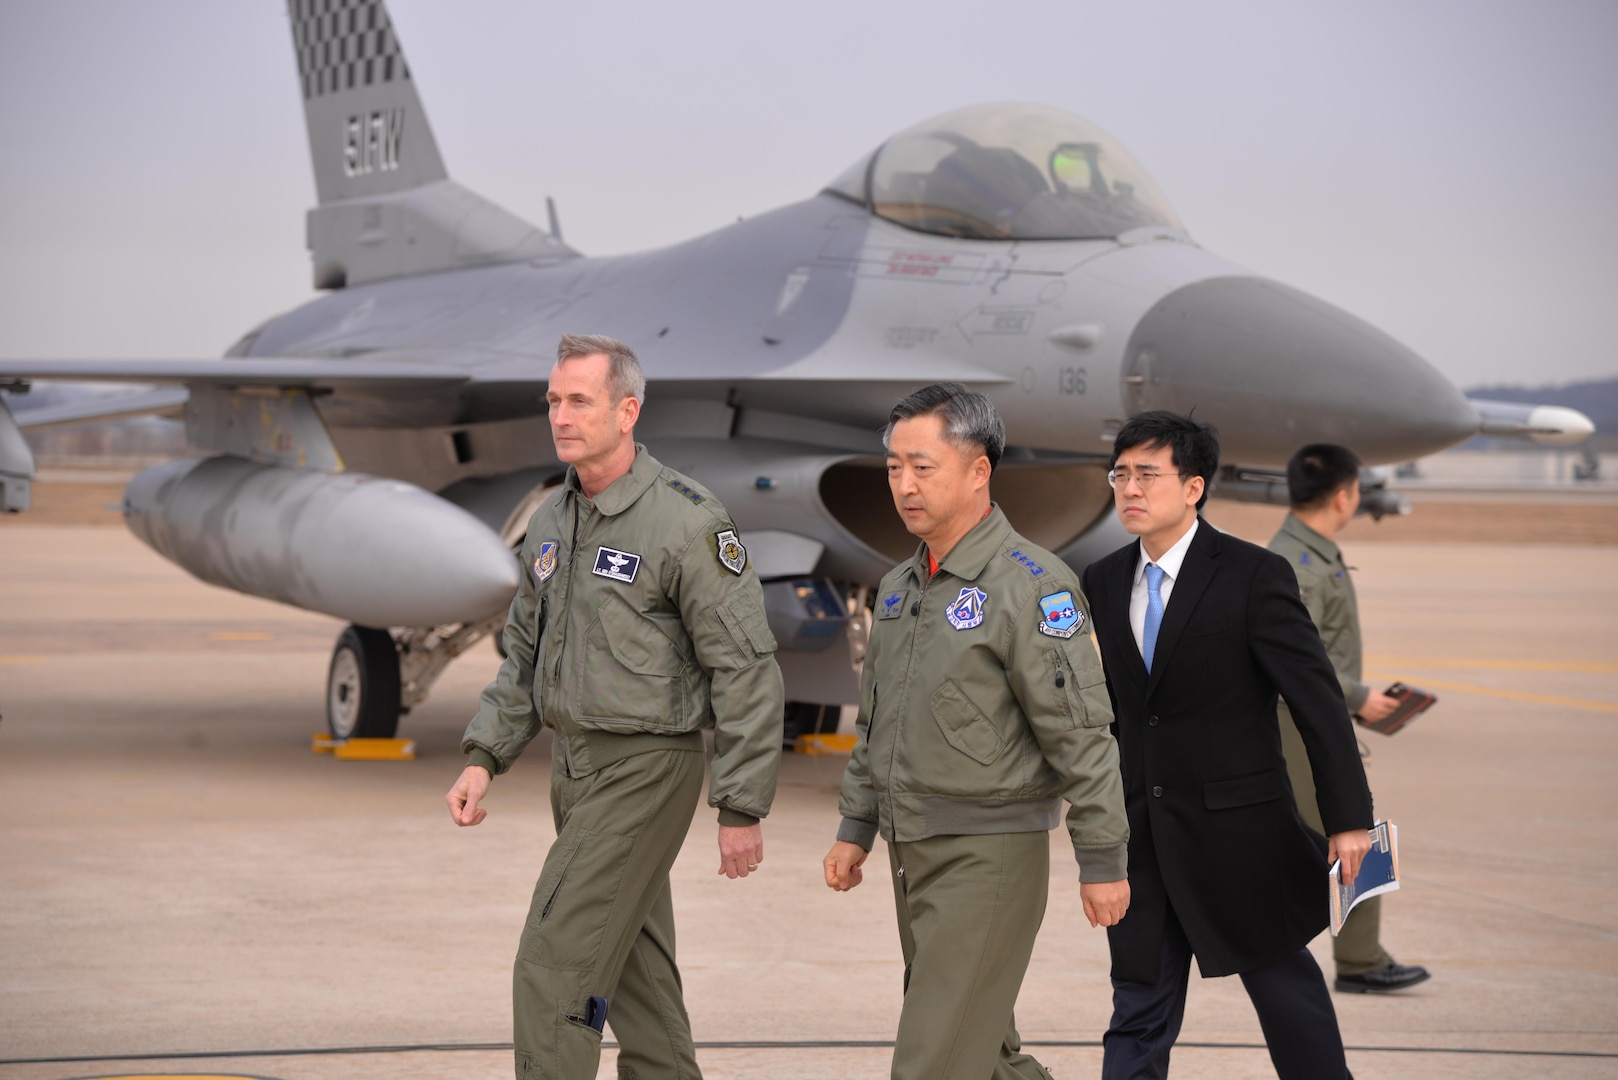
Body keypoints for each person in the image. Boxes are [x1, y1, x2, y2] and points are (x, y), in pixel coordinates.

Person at [445, 333, 784, 1079]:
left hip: (646, 767)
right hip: (575, 768)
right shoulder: (550, 521)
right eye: (553, 401)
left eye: (579, 401)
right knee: (633, 964)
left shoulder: (687, 521)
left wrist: (741, 804)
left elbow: (746, 668)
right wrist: (484, 756)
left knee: (554, 958)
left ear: (627, 410)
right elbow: (524, 658)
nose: (561, 416)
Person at [824, 382, 1130, 1080]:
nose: (903, 484)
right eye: (895, 466)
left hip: (987, 857)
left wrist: (1103, 858)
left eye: (923, 467)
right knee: (986, 1053)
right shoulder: (899, 587)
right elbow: (878, 719)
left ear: (978, 470)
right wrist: (855, 825)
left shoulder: (1033, 586)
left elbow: (1080, 732)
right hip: (913, 849)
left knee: (933, 1059)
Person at [1079, 410, 1373, 1080]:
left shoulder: (1254, 575)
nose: (1128, 488)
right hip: (1143, 840)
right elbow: (1121, 716)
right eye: (1120, 473)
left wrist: (1348, 819)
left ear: (1193, 487)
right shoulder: (1101, 579)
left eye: (1147, 474)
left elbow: (1318, 703)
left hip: (1241, 836)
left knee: (1287, 1000)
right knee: (1137, 1011)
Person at [1270, 443, 1431, 994]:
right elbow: (1291, 658)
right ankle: (1360, 962)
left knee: (1338, 837)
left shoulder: (1310, 552)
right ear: (1344, 496)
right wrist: (1359, 696)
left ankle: (1357, 956)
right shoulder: (1298, 565)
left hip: (1313, 718)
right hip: (1298, 723)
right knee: (1352, 836)